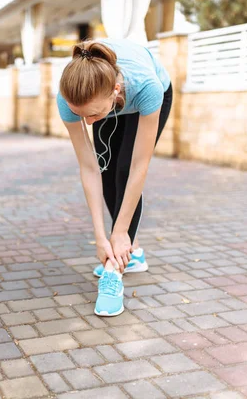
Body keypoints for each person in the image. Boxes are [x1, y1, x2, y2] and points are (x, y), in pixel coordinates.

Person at [57, 38, 172, 316]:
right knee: (106, 168)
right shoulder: (72, 98)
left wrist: (119, 232)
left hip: (147, 95)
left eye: (92, 114)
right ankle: (133, 254)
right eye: (78, 114)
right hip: (106, 100)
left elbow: (138, 166)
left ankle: (114, 272)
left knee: (122, 169)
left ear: (115, 92)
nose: (87, 123)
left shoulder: (147, 87)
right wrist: (100, 236)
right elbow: (88, 168)